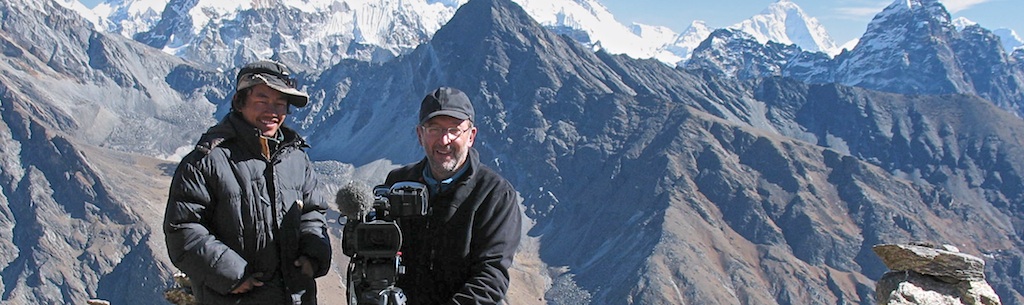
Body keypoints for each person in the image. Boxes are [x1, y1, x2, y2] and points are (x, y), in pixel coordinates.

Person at [164, 60, 331, 305]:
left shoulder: (296, 158)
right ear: (239, 102)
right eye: (262, 100)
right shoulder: (207, 161)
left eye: (280, 103)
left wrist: (312, 256)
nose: (272, 111)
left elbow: (312, 212)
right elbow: (183, 228)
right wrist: (233, 275)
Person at [384, 86, 522, 305]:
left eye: (454, 130)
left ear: (471, 136)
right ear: (420, 135)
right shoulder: (398, 183)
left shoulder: (495, 194)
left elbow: (491, 277)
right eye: (434, 129)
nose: (444, 140)